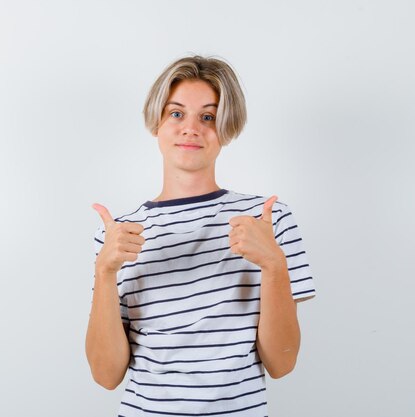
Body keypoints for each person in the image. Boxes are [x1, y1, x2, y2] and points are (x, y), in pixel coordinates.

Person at [85, 55, 316, 417]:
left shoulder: (267, 220)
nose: (191, 128)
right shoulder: (117, 234)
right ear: (156, 124)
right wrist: (105, 271)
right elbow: (106, 374)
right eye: (176, 113)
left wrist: (273, 265)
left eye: (208, 117)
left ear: (226, 127)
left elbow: (281, 364)